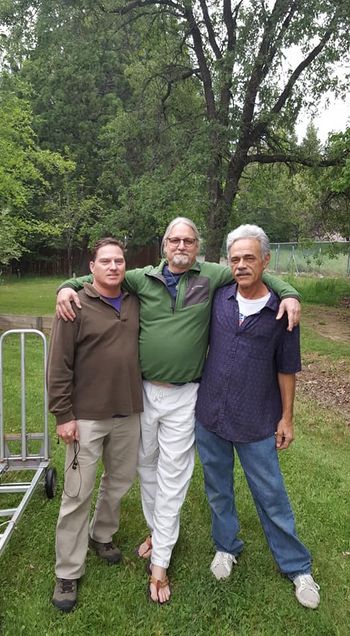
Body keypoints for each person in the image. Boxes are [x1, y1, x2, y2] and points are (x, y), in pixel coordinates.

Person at [55, 217, 301, 604]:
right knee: (146, 468)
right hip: (142, 394)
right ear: (164, 245)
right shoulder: (142, 278)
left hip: (187, 395)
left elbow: (254, 271)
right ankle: (158, 531)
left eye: (189, 240)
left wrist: (290, 294)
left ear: (198, 245)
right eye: (174, 240)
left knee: (173, 475)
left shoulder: (214, 275)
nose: (181, 246)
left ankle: (161, 562)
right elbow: (102, 276)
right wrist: (66, 287)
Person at [195, 224, 320, 609]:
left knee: (271, 496)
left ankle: (297, 567)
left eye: (250, 258)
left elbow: (287, 368)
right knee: (218, 492)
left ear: (266, 260)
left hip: (256, 420)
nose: (242, 265)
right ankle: (226, 546)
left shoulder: (282, 311)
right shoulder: (218, 297)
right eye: (235, 259)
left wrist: (287, 418)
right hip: (211, 416)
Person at [47, 238, 143, 612]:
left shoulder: (135, 300)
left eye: (119, 261)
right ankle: (67, 571)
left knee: (118, 483)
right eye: (106, 261)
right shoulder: (74, 304)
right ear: (92, 266)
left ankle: (102, 535)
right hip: (85, 416)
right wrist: (63, 415)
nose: (114, 267)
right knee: (76, 493)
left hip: (128, 411)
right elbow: (58, 365)